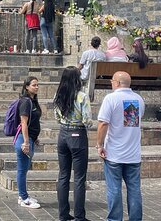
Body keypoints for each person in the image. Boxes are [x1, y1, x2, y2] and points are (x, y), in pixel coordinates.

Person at [96, 71, 145, 221]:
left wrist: (99, 144)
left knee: (114, 189)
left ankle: (115, 219)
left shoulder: (111, 98)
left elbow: (103, 123)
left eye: (112, 81)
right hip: (133, 153)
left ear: (116, 83)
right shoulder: (138, 99)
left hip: (114, 153)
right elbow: (133, 122)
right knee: (134, 189)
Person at [54, 66, 92, 221]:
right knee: (79, 178)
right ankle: (79, 216)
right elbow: (87, 120)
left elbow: (56, 117)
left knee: (63, 175)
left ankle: (63, 214)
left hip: (62, 134)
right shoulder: (82, 96)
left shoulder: (58, 94)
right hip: (78, 134)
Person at [15, 76, 42, 209]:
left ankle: (23, 196)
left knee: (24, 169)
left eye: (37, 85)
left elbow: (33, 121)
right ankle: (24, 198)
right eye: (34, 85)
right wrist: (26, 142)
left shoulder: (33, 101)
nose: (36, 87)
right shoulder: (25, 102)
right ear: (26, 87)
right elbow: (23, 123)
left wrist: (34, 137)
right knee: (22, 169)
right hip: (23, 139)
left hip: (30, 138)